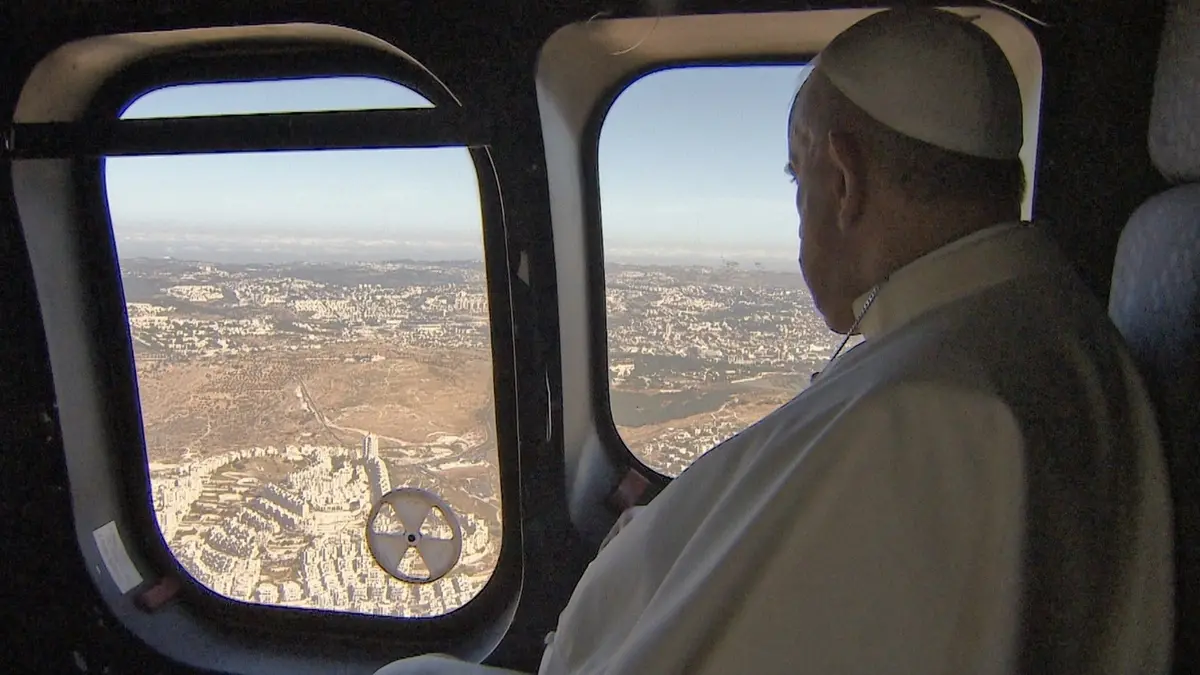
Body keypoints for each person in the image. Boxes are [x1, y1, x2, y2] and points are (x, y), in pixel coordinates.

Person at [377, 7, 1174, 674]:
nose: (800, 211)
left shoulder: (927, 416)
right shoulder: (1037, 328)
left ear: (844, 177)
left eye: (797, 181)